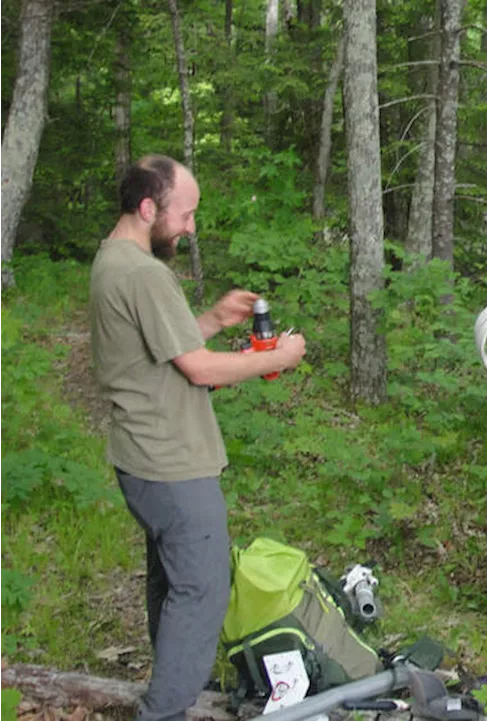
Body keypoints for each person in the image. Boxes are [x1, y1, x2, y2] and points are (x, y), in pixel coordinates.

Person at [89, 155, 307, 721]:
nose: (190, 228)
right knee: (202, 590)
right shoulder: (142, 272)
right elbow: (200, 370)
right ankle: (163, 709)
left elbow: (162, 349)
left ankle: (173, 687)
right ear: (147, 208)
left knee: (171, 581)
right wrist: (276, 358)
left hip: (143, 454)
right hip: (169, 461)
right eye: (185, 215)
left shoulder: (114, 261)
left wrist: (209, 319)